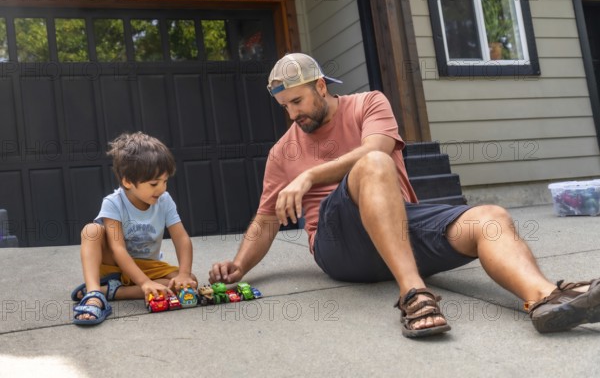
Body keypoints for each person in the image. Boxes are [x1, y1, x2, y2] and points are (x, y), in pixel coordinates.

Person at [209, 53, 600, 338]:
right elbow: (266, 220)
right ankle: (414, 294)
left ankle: (546, 299)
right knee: (374, 165)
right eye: (284, 106)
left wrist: (309, 174)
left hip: (398, 229)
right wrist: (240, 266)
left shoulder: (369, 104)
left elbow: (375, 147)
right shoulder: (283, 152)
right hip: (341, 246)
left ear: (321, 87)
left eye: (297, 102)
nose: (292, 114)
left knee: (490, 217)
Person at [71, 132, 197, 325]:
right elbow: (118, 249)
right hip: (114, 264)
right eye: (154, 183)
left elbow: (181, 239)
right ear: (128, 181)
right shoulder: (113, 203)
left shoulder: (164, 200)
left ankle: (113, 291)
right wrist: (145, 283)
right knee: (91, 231)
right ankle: (95, 293)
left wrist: (184, 274)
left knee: (186, 283)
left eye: (165, 181)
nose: (162, 189)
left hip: (147, 265)